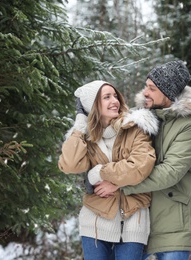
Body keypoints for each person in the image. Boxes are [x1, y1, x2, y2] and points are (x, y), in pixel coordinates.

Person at [95, 61, 191, 260]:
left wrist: (120, 185)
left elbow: (170, 172)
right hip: (137, 219)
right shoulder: (141, 119)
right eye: (146, 86)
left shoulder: (189, 126)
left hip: (173, 223)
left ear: (168, 93)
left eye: (152, 88)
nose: (145, 92)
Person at [58, 80, 159, 260]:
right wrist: (80, 124)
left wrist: (100, 172)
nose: (114, 101)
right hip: (95, 220)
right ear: (93, 105)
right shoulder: (87, 138)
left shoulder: (135, 128)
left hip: (133, 218)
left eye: (115, 96)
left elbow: (141, 165)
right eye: (106, 97)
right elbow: (70, 165)